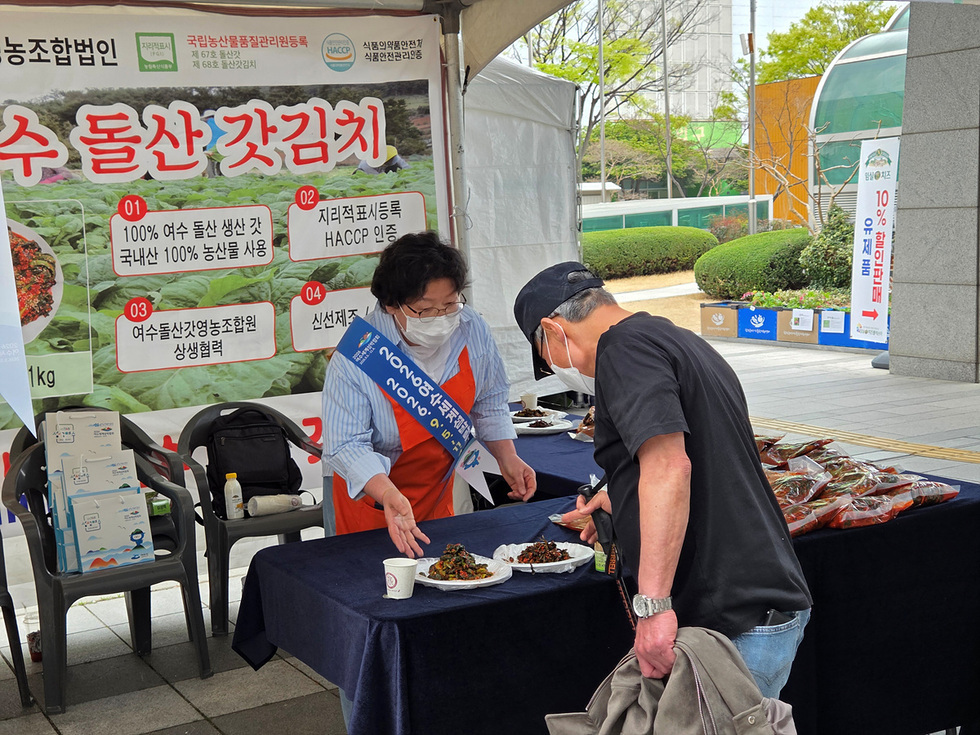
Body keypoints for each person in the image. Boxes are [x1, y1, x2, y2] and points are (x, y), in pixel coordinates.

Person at [513, 262, 811, 698]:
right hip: (760, 595)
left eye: (546, 360)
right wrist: (622, 496)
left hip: (735, 615)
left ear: (552, 330)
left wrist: (653, 607)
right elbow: (702, 451)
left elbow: (670, 468)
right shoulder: (673, 337)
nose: (555, 367)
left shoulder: (623, 352)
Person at [322, 231, 536, 558]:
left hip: (436, 493)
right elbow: (347, 446)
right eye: (425, 310)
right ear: (392, 304)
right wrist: (389, 495)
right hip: (376, 503)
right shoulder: (359, 355)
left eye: (450, 304)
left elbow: (490, 400)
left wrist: (507, 457)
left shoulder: (470, 327)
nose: (441, 318)